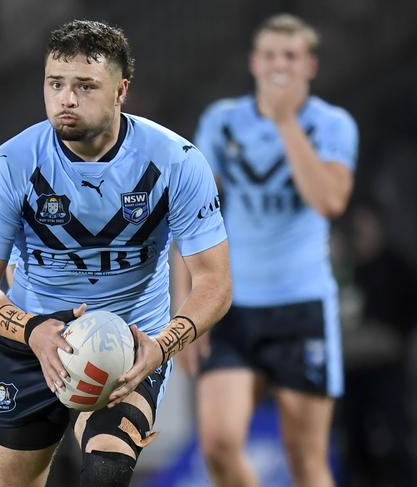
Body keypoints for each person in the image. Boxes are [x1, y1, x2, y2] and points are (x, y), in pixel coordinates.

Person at [0, 19, 231, 487]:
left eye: (85, 86)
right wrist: (34, 331)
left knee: (106, 471)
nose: (66, 98)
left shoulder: (175, 161)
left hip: (128, 345)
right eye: (55, 84)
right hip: (33, 342)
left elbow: (215, 282)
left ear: (121, 90)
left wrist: (162, 346)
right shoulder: (11, 164)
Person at [179, 13, 359, 487]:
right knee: (217, 445)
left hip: (301, 306)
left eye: (292, 56)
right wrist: (187, 308)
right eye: (272, 55)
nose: (281, 65)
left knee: (306, 458)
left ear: (310, 66)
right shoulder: (222, 121)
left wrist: (284, 121)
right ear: (255, 62)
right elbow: (193, 213)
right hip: (233, 305)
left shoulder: (332, 124)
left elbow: (330, 200)